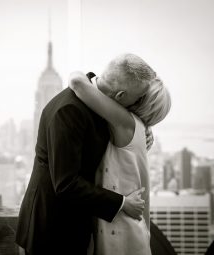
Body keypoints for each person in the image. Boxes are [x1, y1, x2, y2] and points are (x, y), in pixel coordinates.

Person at [16, 53, 156, 255]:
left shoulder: (93, 102)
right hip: (53, 231)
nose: (140, 103)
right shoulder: (69, 111)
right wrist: (122, 203)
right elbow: (66, 184)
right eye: (139, 98)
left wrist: (143, 130)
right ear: (120, 96)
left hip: (70, 225)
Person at [68, 53, 171, 255]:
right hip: (126, 228)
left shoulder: (125, 122)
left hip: (121, 233)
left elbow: (77, 81)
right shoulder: (136, 128)